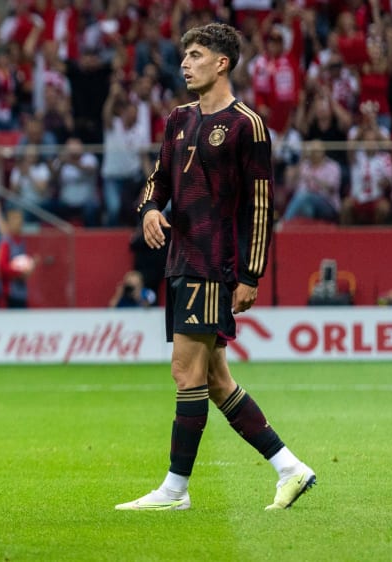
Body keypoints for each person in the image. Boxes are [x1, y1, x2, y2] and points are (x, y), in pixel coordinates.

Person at [117, 23, 315, 512]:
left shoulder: (248, 124)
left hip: (214, 264)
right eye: (184, 54)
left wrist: (250, 275)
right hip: (180, 260)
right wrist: (148, 210)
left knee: (186, 372)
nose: (185, 62)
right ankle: (291, 468)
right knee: (217, 379)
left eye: (196, 54)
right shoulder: (179, 119)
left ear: (222, 62)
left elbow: (262, 207)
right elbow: (158, 179)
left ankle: (175, 490)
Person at [0, 206, 35, 308]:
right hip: (9, 291)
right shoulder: (6, 241)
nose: (18, 222)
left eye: (20, 219)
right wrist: (20, 272)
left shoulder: (21, 241)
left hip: (21, 290)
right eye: (14, 219)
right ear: (8, 223)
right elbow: (2, 266)